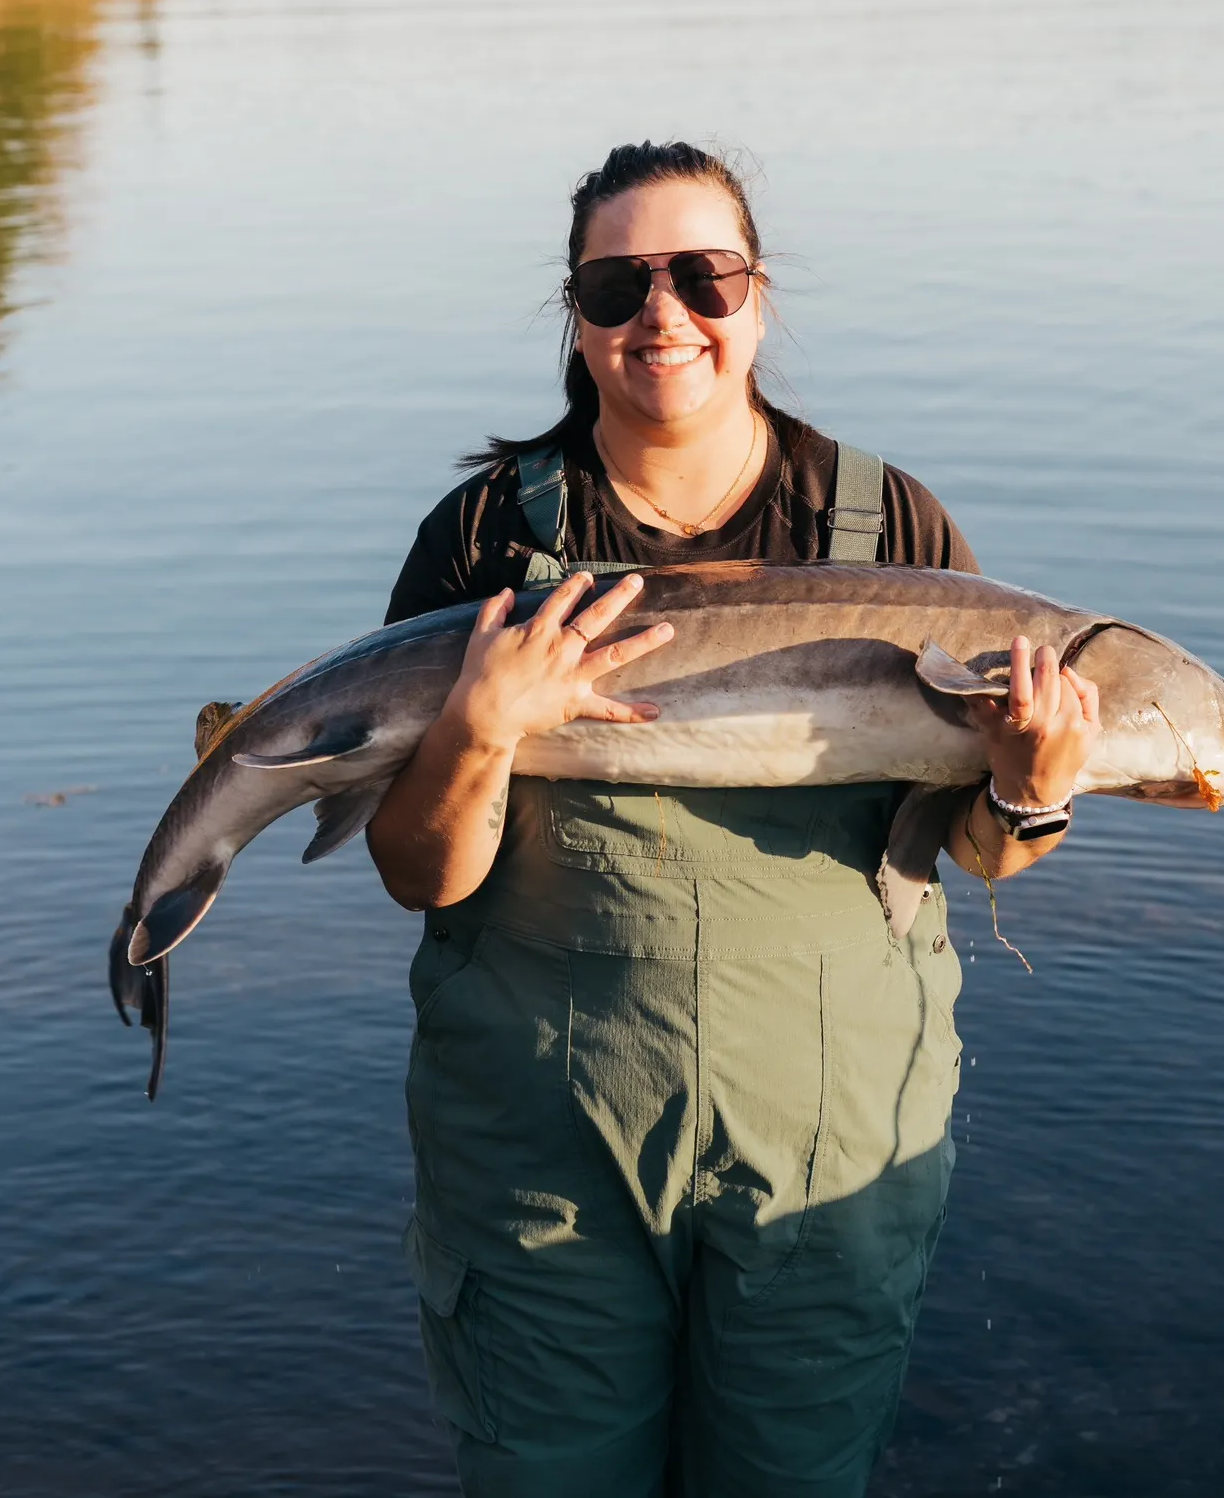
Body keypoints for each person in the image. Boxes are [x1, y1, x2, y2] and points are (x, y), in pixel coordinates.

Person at [367, 141, 1099, 1498]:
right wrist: (479, 724)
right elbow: (420, 874)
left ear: (756, 301)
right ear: (576, 319)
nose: (664, 316)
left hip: (831, 1146)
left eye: (703, 276)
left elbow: (975, 850)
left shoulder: (899, 537)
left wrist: (1033, 782)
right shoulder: (484, 544)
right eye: (616, 283)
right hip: (540, 1150)